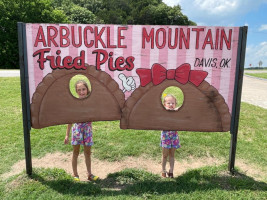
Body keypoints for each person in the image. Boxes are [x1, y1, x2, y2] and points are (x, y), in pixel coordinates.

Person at [64, 80, 99, 182]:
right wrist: (67, 135)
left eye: (83, 89)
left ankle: (89, 174)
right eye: (79, 90)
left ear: (87, 90)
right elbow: (69, 120)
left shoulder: (91, 102)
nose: (81, 92)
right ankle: (75, 175)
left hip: (87, 130)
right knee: (76, 152)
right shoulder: (74, 103)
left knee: (87, 153)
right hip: (77, 130)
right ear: (76, 91)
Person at [160, 94, 181, 178]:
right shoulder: (163, 111)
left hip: (174, 136)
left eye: (173, 103)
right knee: (165, 155)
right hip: (166, 136)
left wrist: (178, 110)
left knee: (172, 155)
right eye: (168, 103)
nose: (171, 105)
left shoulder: (176, 112)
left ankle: (171, 171)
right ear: (164, 104)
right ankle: (163, 170)